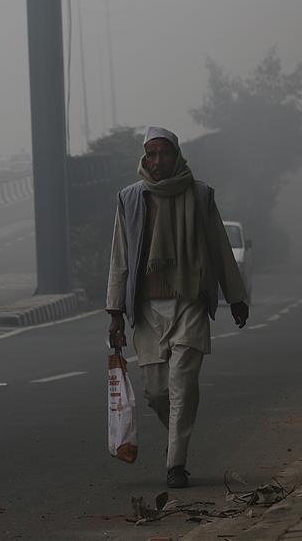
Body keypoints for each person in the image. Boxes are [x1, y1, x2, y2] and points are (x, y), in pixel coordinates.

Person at [105, 126, 249, 489]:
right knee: (156, 393)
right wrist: (114, 312)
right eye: (150, 154)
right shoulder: (130, 198)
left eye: (163, 154)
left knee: (182, 383)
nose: (156, 161)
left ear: (176, 156)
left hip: (189, 301)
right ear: (144, 158)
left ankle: (176, 466)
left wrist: (235, 297)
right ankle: (179, 434)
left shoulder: (200, 195)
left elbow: (218, 246)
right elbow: (120, 257)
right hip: (147, 309)